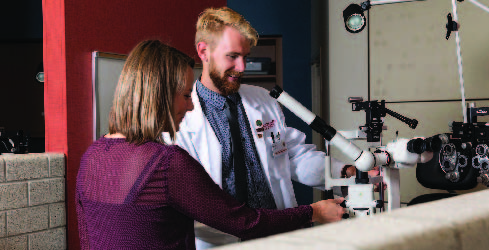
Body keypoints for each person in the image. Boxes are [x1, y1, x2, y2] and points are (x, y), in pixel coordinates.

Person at [75, 40, 347, 250]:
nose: (191, 104)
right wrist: (312, 212)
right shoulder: (166, 164)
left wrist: (343, 172)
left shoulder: (92, 155)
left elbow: (88, 238)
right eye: (184, 95)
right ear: (158, 97)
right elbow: (245, 222)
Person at [162, 7, 375, 249]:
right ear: (204, 51)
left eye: (245, 57)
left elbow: (295, 157)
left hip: (279, 235)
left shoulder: (263, 100)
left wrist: (347, 171)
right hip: (220, 242)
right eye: (232, 56)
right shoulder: (179, 119)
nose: (242, 67)